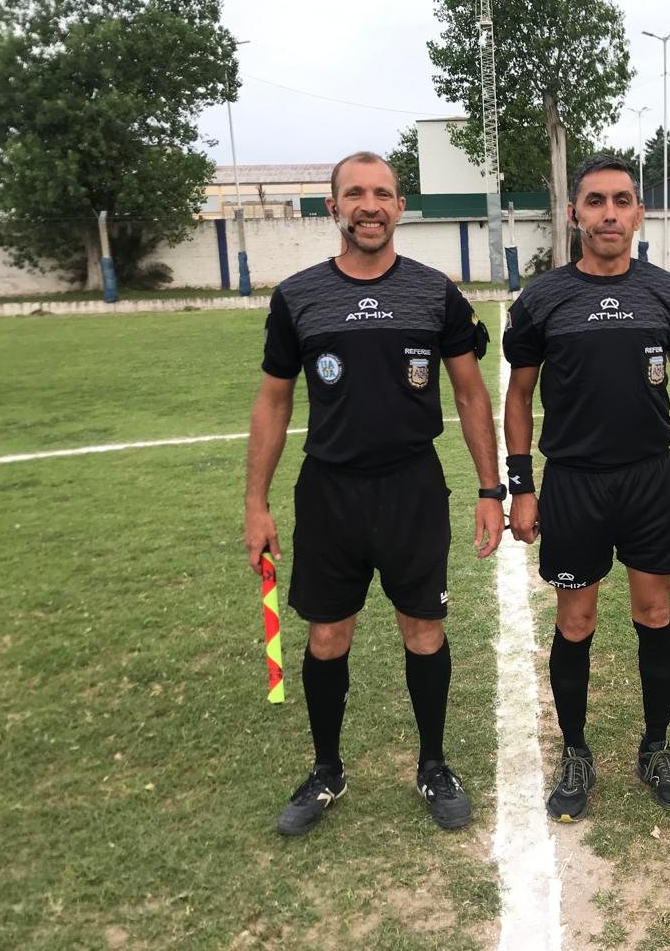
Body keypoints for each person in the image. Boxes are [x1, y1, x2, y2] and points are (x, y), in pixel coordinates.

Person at [244, 151, 505, 836]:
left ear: (399, 207)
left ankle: (433, 765)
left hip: (411, 487)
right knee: (328, 635)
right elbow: (273, 401)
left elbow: (470, 394)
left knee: (423, 629)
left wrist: (490, 487)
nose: (370, 205)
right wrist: (256, 503)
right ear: (333, 206)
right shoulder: (298, 296)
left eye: (383, 194)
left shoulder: (434, 293)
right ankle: (327, 770)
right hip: (329, 491)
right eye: (355, 194)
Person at [502, 154, 670, 822]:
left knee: (654, 615)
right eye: (596, 201)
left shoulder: (665, 292)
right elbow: (518, 396)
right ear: (574, 213)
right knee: (575, 621)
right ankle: (576, 752)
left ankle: (655, 747)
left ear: (638, 214)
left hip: (650, 480)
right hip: (574, 483)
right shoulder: (542, 299)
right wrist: (521, 485)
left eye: (622, 201)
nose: (609, 213)